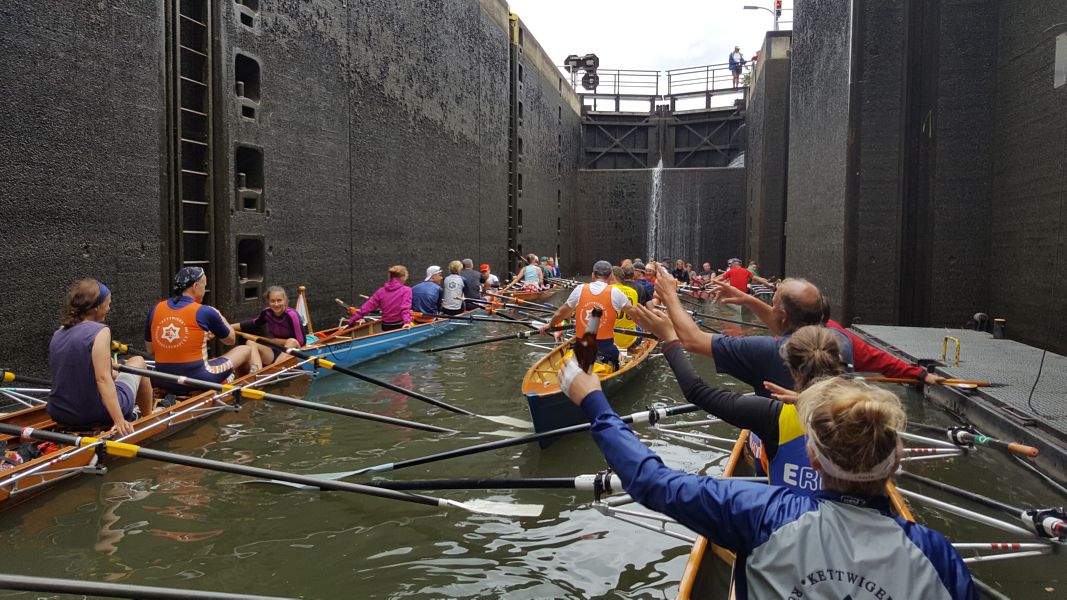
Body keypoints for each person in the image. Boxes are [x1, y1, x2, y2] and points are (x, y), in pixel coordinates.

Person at [557, 366, 976, 599]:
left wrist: (595, 402)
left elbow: (652, 482)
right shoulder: (937, 555)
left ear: (813, 457)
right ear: (896, 461)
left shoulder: (763, 513)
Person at [631, 304, 846, 493]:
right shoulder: (867, 410)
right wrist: (803, 398)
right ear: (840, 360)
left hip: (790, 528)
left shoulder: (774, 415)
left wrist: (670, 338)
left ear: (791, 371)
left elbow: (695, 390)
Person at [655, 266, 854, 397]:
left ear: (783, 316)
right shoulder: (841, 340)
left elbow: (692, 340)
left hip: (781, 443)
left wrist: (670, 295)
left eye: (773, 304)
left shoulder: (768, 350)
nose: (771, 309)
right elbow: (786, 325)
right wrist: (749, 300)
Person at [714, 282, 946, 387]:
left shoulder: (773, 348)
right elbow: (882, 360)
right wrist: (921, 375)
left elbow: (693, 341)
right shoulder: (839, 335)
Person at [47, 279, 154, 435]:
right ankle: (149, 419)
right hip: (96, 412)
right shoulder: (100, 331)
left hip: (59, 413)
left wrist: (112, 371)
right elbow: (102, 379)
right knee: (138, 362)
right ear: (96, 307)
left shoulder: (59, 332)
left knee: (116, 374)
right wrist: (119, 420)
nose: (109, 308)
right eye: (108, 303)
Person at [146, 266, 255, 393]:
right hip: (198, 380)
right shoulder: (206, 311)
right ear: (195, 286)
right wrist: (219, 314)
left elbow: (151, 350)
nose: (205, 289)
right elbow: (230, 340)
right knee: (246, 349)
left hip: (163, 379)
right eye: (204, 285)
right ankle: (237, 383)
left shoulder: (156, 309)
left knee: (211, 361)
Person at [540, 260, 630, 369]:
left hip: (582, 350)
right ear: (611, 276)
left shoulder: (580, 289)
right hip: (606, 350)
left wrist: (550, 325)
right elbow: (635, 315)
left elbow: (560, 313)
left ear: (593, 275)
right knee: (615, 355)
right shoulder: (616, 292)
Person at [235, 286, 306, 367]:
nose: (276, 304)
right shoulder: (267, 313)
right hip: (275, 350)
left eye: (279, 300)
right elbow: (251, 324)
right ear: (268, 302)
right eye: (272, 301)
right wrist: (227, 327)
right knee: (249, 342)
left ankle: (274, 369)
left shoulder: (292, 315)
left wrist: (278, 341)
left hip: (293, 352)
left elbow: (301, 342)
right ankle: (255, 371)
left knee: (291, 341)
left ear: (285, 301)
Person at [348, 266, 412, 331]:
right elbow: (405, 308)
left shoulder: (381, 291)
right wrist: (407, 322)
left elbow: (366, 307)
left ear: (390, 277)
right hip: (399, 325)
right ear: (403, 277)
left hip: (385, 326)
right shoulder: (406, 290)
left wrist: (351, 321)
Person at [609, 266, 640, 350]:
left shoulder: (607, 290)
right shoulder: (633, 292)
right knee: (639, 327)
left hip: (611, 340)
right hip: (630, 341)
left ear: (612, 276)